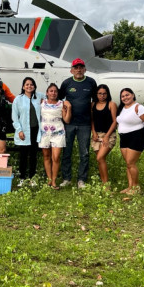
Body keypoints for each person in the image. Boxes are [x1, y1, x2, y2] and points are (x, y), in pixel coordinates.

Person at [59, 58, 98, 189]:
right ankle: (66, 178)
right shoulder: (66, 83)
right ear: (71, 70)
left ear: (85, 69)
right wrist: (65, 105)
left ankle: (81, 179)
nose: (78, 70)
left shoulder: (91, 82)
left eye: (81, 67)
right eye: (76, 68)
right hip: (69, 124)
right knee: (67, 152)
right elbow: (59, 100)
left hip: (85, 124)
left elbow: (96, 101)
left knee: (84, 153)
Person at [116, 87, 144, 195]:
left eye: (127, 95)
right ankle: (130, 187)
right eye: (123, 96)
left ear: (133, 95)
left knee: (131, 163)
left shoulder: (139, 107)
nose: (125, 97)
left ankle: (136, 187)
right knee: (128, 164)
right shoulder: (122, 109)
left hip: (137, 136)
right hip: (124, 138)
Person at [11, 77, 44, 185]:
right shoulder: (18, 99)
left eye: (31, 84)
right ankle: (22, 177)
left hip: (35, 130)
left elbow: (52, 99)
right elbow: (15, 116)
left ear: (34, 86)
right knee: (23, 155)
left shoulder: (39, 96)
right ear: (23, 86)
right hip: (24, 131)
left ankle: (32, 178)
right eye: (27, 84)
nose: (29, 86)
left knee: (33, 155)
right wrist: (19, 130)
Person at [40, 83, 71, 189]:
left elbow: (66, 120)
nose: (53, 93)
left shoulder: (61, 104)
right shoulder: (42, 103)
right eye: (51, 91)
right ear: (47, 93)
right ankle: (49, 179)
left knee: (56, 157)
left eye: (55, 91)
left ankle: (54, 180)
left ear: (58, 93)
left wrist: (69, 109)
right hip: (44, 133)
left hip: (58, 132)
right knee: (46, 156)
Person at [90, 84, 118, 184]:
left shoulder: (111, 104)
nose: (102, 96)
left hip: (109, 135)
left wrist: (106, 136)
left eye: (104, 94)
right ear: (96, 94)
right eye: (100, 93)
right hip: (97, 135)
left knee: (100, 157)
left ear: (108, 94)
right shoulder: (93, 105)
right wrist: (93, 132)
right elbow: (92, 120)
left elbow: (115, 121)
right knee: (100, 160)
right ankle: (103, 182)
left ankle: (107, 185)